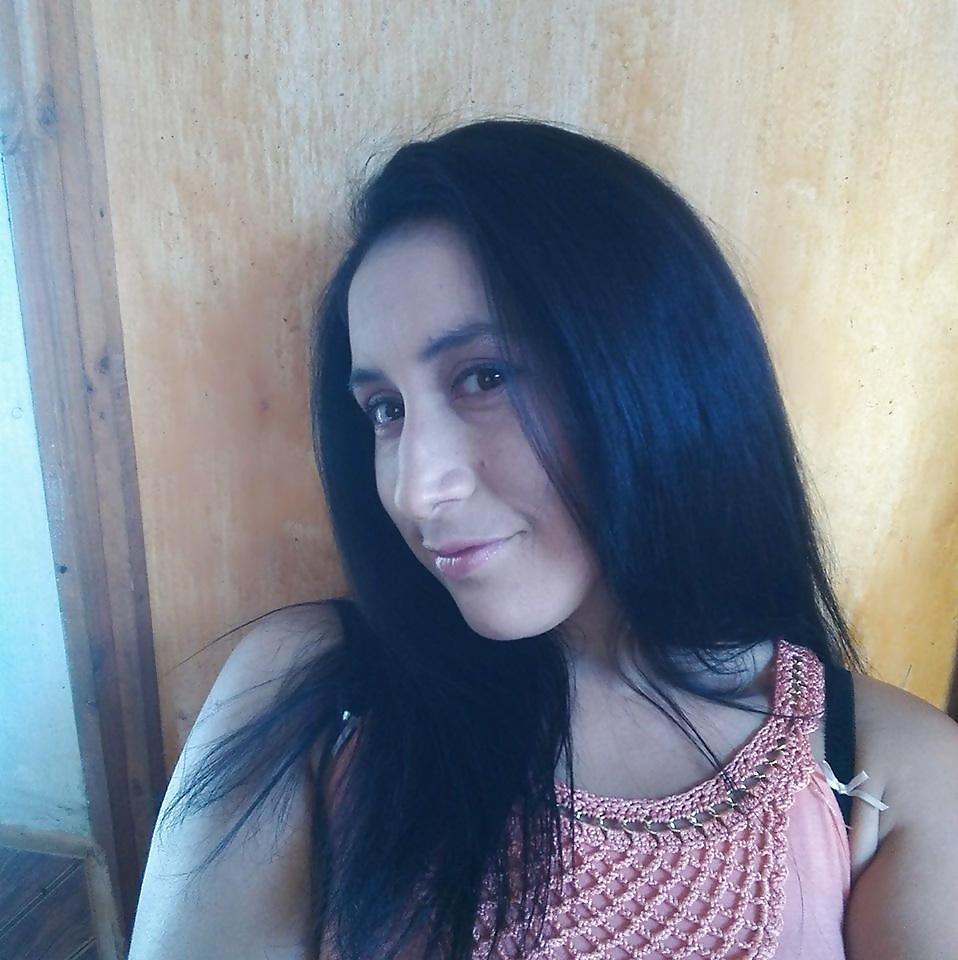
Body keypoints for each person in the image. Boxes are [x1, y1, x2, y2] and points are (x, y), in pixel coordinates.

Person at [127, 118, 958, 960]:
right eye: (386, 409)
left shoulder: (891, 768)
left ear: (655, 368)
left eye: (484, 377)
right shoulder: (313, 693)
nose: (417, 489)